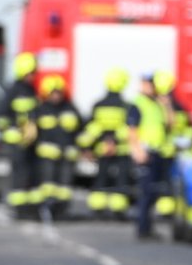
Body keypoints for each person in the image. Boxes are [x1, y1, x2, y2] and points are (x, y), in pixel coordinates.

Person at [78, 67, 133, 220]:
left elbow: (92, 128)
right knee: (121, 178)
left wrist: (86, 147)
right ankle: (118, 208)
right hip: (120, 149)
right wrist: (114, 141)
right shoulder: (125, 106)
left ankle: (98, 206)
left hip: (102, 148)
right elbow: (128, 128)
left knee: (101, 176)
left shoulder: (98, 104)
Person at [127, 73, 174, 239]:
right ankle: (142, 229)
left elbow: (169, 124)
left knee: (154, 192)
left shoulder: (158, 104)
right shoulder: (138, 104)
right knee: (145, 193)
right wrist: (137, 151)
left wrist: (167, 106)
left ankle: (148, 228)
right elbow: (132, 130)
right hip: (145, 153)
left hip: (158, 153)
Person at [0, 52, 40, 218]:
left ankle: (31, 207)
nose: (33, 76)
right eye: (31, 72)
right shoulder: (13, 90)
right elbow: (0, 117)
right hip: (17, 142)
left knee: (31, 174)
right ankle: (19, 208)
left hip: (30, 142)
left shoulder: (31, 90)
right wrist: (15, 131)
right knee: (19, 174)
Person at [30, 75, 81, 219]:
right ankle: (46, 209)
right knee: (47, 186)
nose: (56, 96)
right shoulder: (41, 109)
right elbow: (33, 133)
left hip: (67, 155)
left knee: (64, 187)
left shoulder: (70, 108)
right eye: (53, 93)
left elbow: (80, 129)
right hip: (47, 157)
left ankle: (62, 211)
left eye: (59, 92)